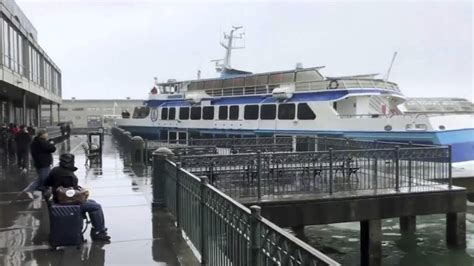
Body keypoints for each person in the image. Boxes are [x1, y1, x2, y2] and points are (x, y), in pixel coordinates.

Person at [45, 153, 111, 242]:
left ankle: (98, 229)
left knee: (92, 202)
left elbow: (46, 183)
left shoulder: (55, 170)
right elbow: (74, 195)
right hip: (68, 204)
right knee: (96, 206)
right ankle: (99, 232)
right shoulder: (70, 175)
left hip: (56, 201)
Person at [23, 130, 56, 199]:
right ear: (42, 135)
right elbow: (52, 148)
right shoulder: (41, 142)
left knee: (43, 178)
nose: (47, 135)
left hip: (39, 162)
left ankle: (42, 192)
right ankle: (29, 190)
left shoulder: (36, 142)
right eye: (46, 134)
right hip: (43, 163)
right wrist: (51, 143)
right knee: (44, 179)